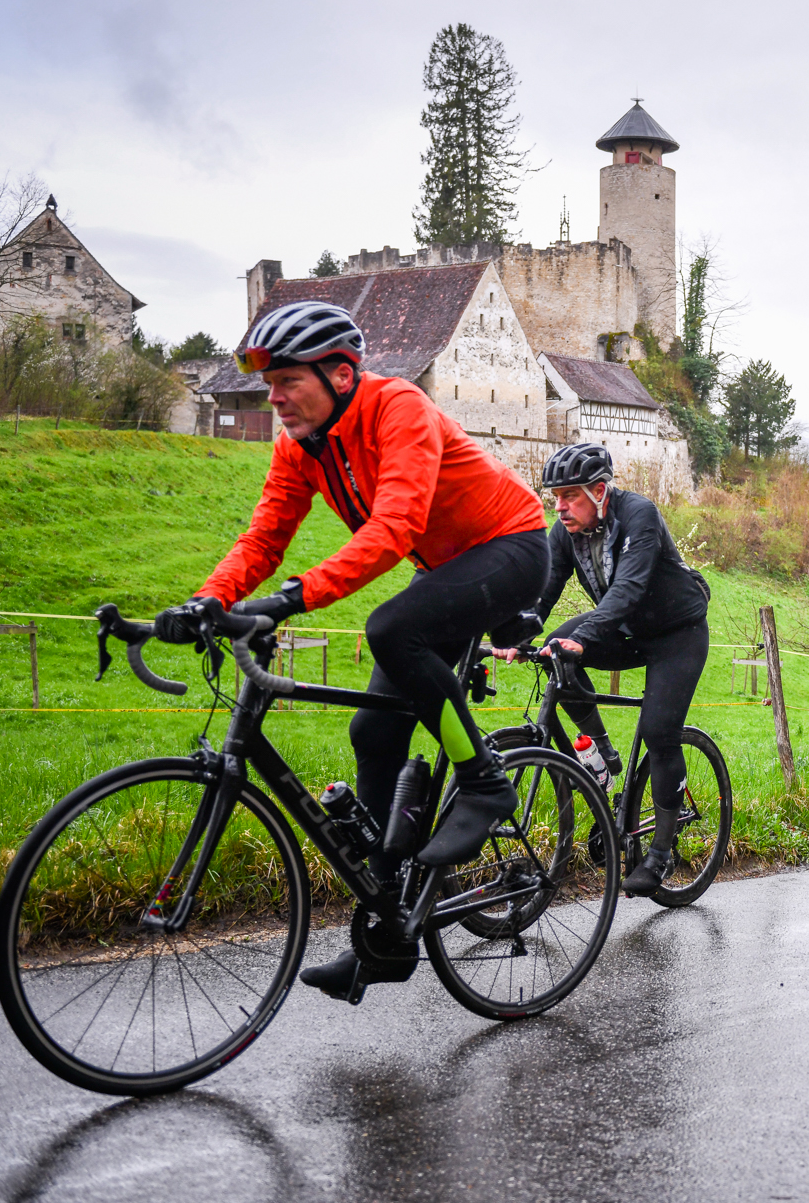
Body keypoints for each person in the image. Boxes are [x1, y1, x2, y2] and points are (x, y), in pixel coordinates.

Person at [158, 299, 551, 1000]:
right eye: (269, 384)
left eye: (287, 382)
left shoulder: (397, 408)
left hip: (512, 544)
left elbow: (394, 527)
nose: (273, 397)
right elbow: (263, 538)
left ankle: (485, 779)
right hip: (446, 566)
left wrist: (292, 596)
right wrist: (207, 601)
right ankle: (386, 937)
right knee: (374, 727)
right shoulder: (298, 445)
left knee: (393, 629)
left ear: (341, 374)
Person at [500, 442, 710, 897]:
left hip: (678, 634)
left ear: (599, 491)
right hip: (627, 630)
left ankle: (660, 854)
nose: (559, 507)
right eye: (554, 497)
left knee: (658, 732)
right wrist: (514, 637)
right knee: (558, 653)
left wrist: (587, 634)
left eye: (569, 496)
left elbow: (630, 588)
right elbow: (543, 591)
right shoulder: (566, 532)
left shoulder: (639, 515)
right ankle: (603, 757)